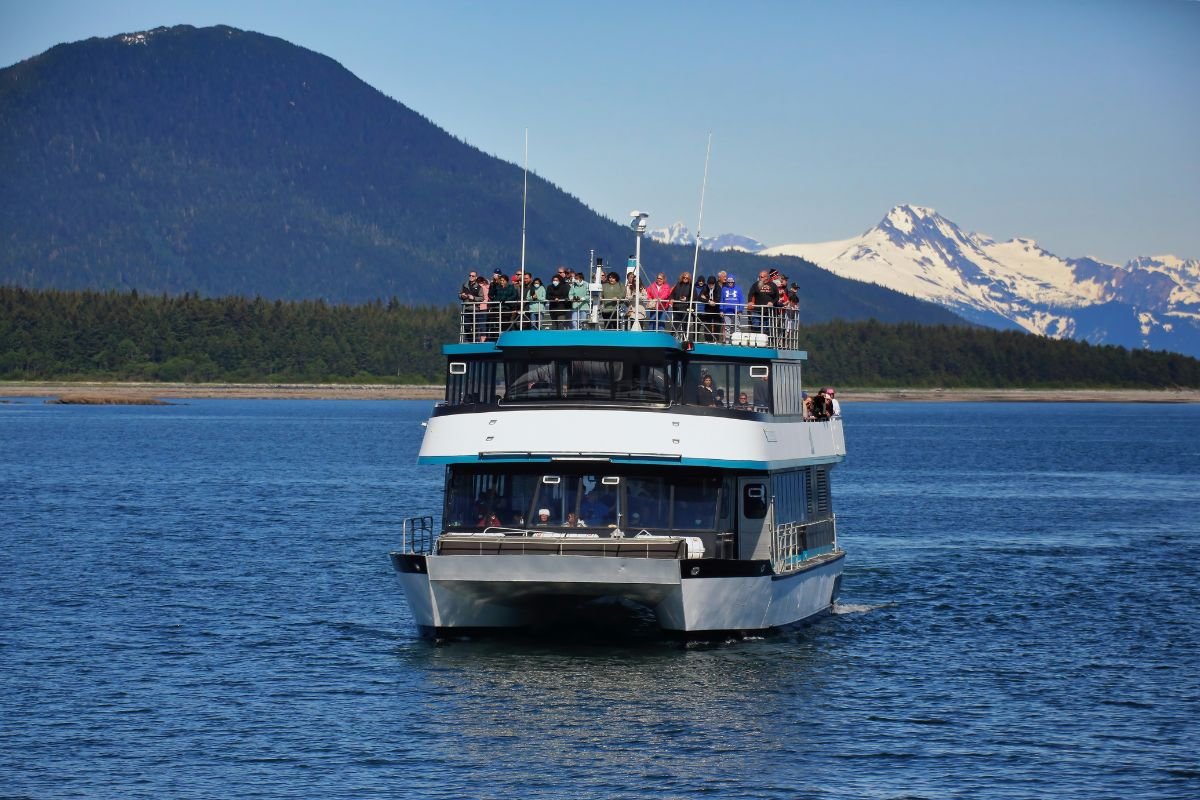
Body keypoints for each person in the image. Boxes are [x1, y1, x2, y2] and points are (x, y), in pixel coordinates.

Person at [747, 270, 780, 336]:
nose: (760, 278)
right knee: (755, 327)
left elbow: (777, 297)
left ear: (766, 277)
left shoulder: (773, 285)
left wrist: (772, 303)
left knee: (766, 330)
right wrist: (750, 301)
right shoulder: (756, 284)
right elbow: (750, 294)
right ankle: (755, 340)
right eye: (759, 277)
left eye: (761, 277)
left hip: (768, 312)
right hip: (757, 310)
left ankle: (766, 341)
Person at [458, 269, 487, 341]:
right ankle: (470, 340)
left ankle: (476, 341)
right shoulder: (464, 285)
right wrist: (462, 296)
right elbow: (459, 294)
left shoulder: (479, 287)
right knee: (466, 327)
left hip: (475, 310)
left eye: (473, 276)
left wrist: (473, 298)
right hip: (467, 309)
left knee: (475, 327)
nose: (471, 277)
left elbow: (482, 298)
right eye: (470, 275)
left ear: (476, 277)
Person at [719, 275, 744, 342]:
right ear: (727, 282)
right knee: (727, 327)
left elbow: (741, 300)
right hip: (727, 312)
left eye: (731, 282)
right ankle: (727, 341)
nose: (730, 283)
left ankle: (737, 341)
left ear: (734, 282)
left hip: (736, 312)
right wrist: (721, 310)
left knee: (737, 327)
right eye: (729, 282)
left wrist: (740, 310)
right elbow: (722, 300)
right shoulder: (724, 289)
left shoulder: (738, 289)